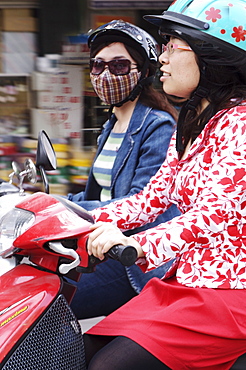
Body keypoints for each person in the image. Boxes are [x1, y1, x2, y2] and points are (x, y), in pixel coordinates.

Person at [81, 1, 246, 369]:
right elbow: (150, 199)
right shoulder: (193, 122)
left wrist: (137, 242)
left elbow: (212, 215)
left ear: (212, 55)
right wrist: (73, 218)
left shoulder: (240, 124)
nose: (162, 59)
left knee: (108, 366)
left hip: (228, 294)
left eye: (173, 46)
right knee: (76, 350)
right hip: (184, 282)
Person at [67, 20, 180, 318]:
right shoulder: (111, 125)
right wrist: (40, 203)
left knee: (50, 305)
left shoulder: (158, 126)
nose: (105, 75)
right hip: (99, 244)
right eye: (97, 66)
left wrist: (64, 210)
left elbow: (143, 203)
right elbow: (96, 193)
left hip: (133, 257)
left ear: (143, 72)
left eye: (118, 66)